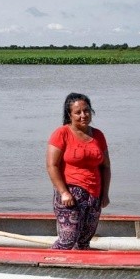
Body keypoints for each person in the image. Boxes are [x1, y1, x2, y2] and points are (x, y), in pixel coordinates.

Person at [46, 92, 111, 250]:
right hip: (71, 195)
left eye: (86, 110)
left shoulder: (98, 135)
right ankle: (49, 263)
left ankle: (79, 271)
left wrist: (105, 194)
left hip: (94, 196)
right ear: (70, 114)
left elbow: (106, 167)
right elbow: (51, 165)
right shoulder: (62, 134)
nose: (83, 115)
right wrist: (63, 192)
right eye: (78, 112)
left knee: (83, 242)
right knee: (67, 241)